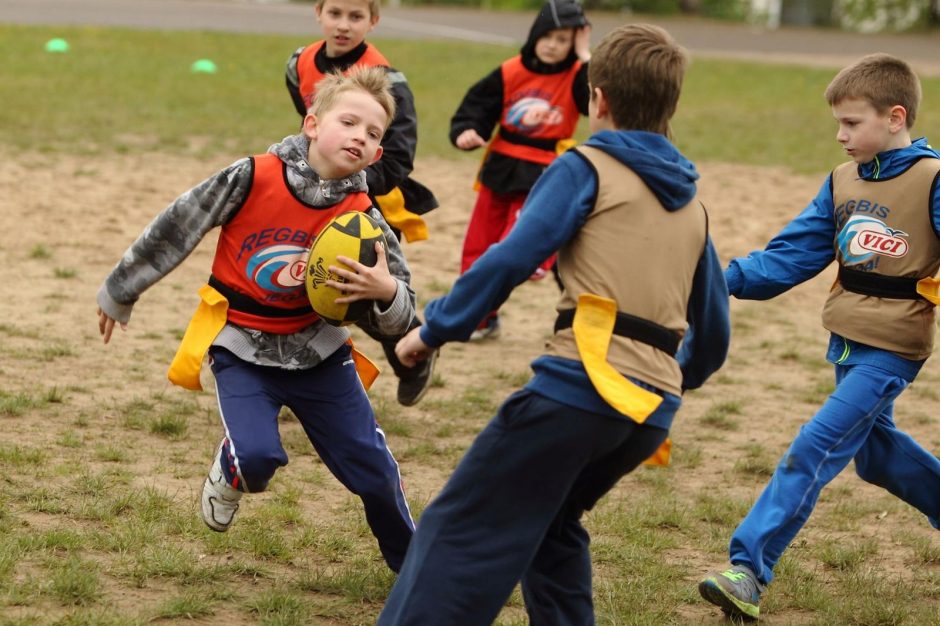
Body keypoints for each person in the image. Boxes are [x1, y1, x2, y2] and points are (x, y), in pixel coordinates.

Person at [377, 24, 730, 625]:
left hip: (579, 391)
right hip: (650, 411)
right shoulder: (693, 206)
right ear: (670, 105)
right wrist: (664, 382)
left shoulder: (584, 167)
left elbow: (512, 257)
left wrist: (432, 330)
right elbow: (714, 331)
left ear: (598, 100)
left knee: (462, 529)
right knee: (551, 525)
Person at [96, 67, 416, 573]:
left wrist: (386, 292)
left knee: (375, 472)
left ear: (378, 154)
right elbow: (182, 221)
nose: (360, 136)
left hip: (320, 353)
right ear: (312, 124)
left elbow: (403, 315)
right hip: (242, 348)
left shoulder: (363, 218)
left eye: (372, 133)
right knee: (258, 459)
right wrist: (121, 289)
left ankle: (416, 568)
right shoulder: (252, 176)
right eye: (349, 122)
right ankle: (231, 466)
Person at [698, 53, 940, 622]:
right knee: (876, 456)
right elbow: (790, 257)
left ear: (895, 117)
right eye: (838, 123)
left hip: (894, 348)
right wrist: (712, 283)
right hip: (848, 340)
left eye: (852, 123)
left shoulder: (933, 180)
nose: (840, 135)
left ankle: (748, 569)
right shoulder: (842, 181)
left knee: (815, 446)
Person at [286, 0, 439, 405]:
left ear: (374, 20)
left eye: (356, 17)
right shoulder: (299, 64)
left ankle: (414, 351)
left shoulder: (387, 81)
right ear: (318, 12)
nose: (343, 25)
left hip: (370, 205)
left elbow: (398, 158)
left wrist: (341, 180)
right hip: (315, 194)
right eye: (335, 13)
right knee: (302, 281)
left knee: (363, 297)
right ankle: (283, 380)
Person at [450, 0, 592, 340]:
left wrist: (586, 57)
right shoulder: (511, 70)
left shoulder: (576, 76)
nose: (554, 45)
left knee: (518, 241)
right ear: (535, 35)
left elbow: (594, 102)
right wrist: (468, 131)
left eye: (564, 39)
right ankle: (481, 318)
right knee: (478, 246)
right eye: (549, 36)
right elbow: (477, 106)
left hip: (546, 171)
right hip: (501, 165)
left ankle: (545, 268)